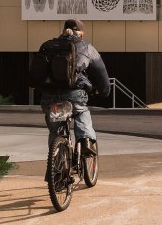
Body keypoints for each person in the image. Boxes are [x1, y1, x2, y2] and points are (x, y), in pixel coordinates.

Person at [40, 18, 110, 157]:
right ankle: (85, 141)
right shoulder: (86, 47)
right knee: (81, 112)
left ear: (63, 31)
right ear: (81, 34)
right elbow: (101, 73)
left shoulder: (47, 46)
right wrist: (104, 91)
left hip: (50, 96)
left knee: (55, 131)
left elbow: (38, 70)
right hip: (74, 94)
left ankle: (56, 161)